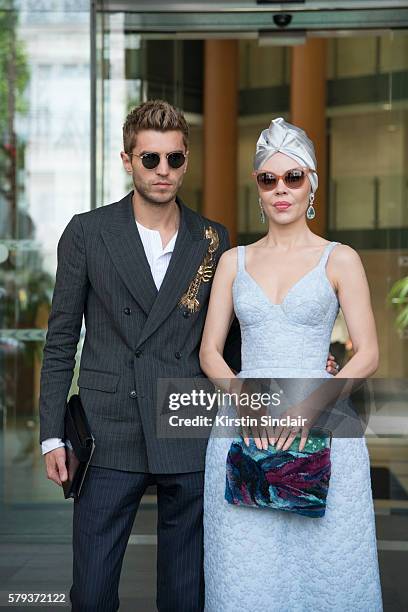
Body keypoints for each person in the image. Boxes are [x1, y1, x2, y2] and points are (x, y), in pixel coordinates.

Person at [39, 102, 338, 612]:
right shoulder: (87, 233)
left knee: (184, 596)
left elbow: (231, 342)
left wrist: (308, 366)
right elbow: (61, 338)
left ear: (186, 161)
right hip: (110, 430)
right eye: (150, 159)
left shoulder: (212, 238)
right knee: (90, 594)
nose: (163, 171)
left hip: (186, 422)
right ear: (127, 160)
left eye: (173, 160)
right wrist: (51, 433)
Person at [200, 118, 383, 611]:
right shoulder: (234, 261)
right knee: (245, 571)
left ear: (312, 185)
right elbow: (209, 352)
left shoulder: (340, 259)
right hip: (244, 426)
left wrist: (309, 407)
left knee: (326, 570)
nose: (281, 189)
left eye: (293, 177)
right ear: (257, 189)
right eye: (268, 179)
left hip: (324, 422)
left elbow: (367, 352)